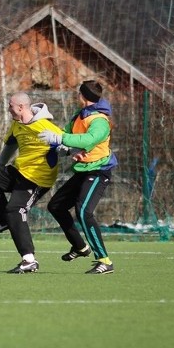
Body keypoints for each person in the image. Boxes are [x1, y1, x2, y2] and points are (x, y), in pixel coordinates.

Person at [38, 80, 118, 274]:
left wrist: (60, 139)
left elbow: (90, 139)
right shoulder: (79, 116)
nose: (76, 97)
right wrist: (64, 147)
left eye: (78, 94)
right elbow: (68, 135)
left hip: (99, 171)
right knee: (56, 205)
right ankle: (80, 246)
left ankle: (104, 261)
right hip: (83, 170)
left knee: (83, 211)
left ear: (82, 96)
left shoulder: (99, 120)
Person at [0, 92, 63, 274]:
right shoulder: (17, 125)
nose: (8, 109)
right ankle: (4, 220)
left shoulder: (44, 126)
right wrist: (0, 165)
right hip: (19, 171)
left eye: (10, 105)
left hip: (37, 178)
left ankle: (29, 260)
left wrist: (66, 149)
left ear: (20, 107)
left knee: (16, 210)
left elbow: (66, 142)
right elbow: (10, 145)